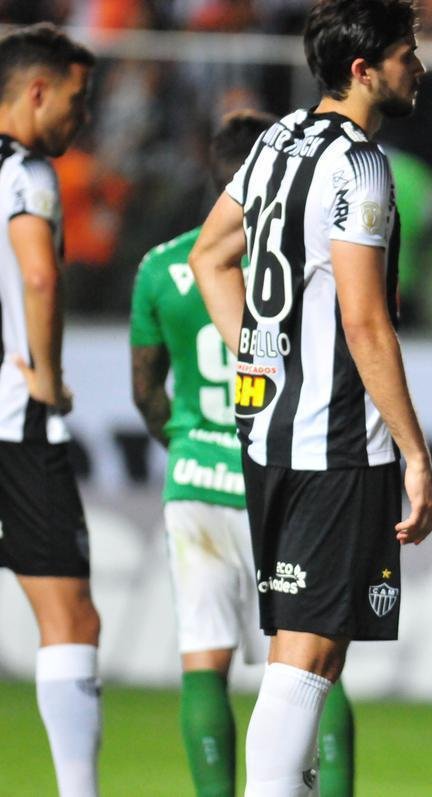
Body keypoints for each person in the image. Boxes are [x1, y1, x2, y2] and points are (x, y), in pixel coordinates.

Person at [188, 1, 432, 794]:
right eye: (407, 52)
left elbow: (209, 256)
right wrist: (415, 453)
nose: (418, 67)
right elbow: (365, 321)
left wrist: (258, 361)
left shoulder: (276, 140)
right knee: (307, 660)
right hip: (335, 439)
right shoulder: (362, 165)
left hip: (270, 431)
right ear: (363, 70)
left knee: (307, 653)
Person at [130, 110, 357, 797]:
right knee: (312, 661)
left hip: (193, 486)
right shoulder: (297, 261)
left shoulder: (162, 266)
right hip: (279, 482)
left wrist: (189, 442)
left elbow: (145, 392)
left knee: (204, 662)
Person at [0, 24, 99, 797]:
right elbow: (38, 276)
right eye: (76, 98)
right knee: (72, 620)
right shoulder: (25, 172)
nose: (83, 117)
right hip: (14, 422)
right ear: (36, 91)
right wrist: (46, 375)